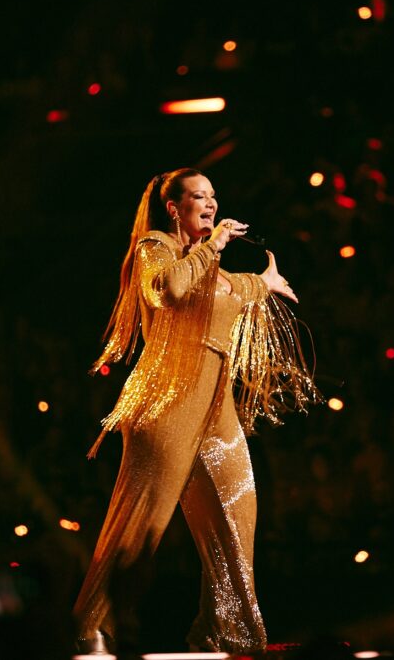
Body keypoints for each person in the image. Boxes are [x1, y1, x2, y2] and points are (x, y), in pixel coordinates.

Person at [72, 168, 322, 654]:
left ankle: (228, 633)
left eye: (213, 196)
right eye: (199, 197)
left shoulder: (207, 263)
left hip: (215, 408)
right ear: (174, 207)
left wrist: (262, 282)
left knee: (237, 512)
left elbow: (227, 291)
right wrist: (217, 244)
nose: (210, 204)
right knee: (139, 528)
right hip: (166, 403)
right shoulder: (156, 248)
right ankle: (87, 632)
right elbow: (168, 290)